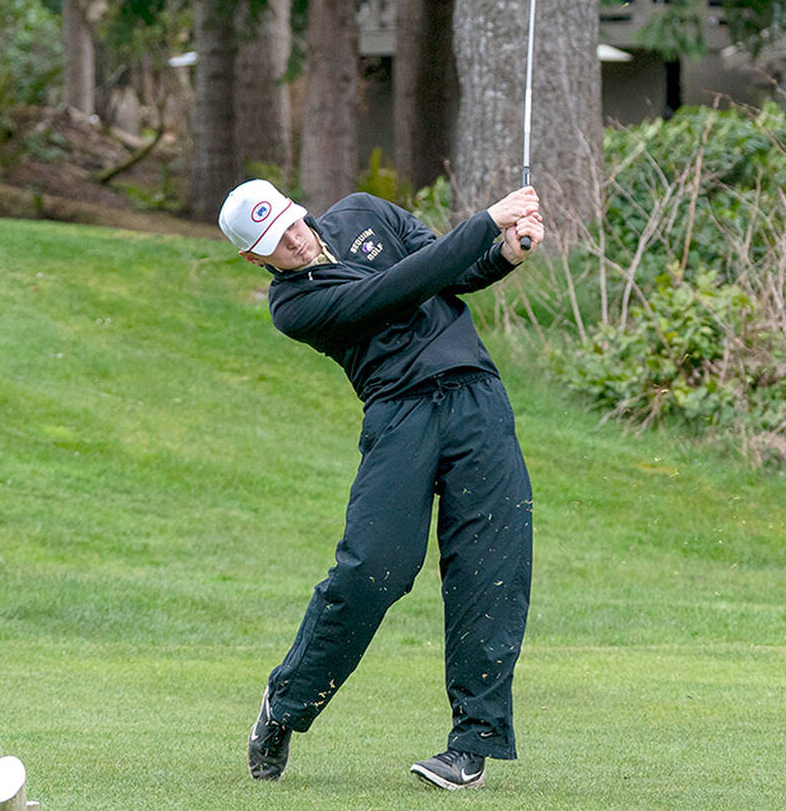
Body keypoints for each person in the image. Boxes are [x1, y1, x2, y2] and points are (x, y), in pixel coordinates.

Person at [217, 178, 545, 790]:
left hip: (476, 395)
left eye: (288, 221)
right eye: (273, 241)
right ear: (253, 258)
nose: (292, 238)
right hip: (401, 413)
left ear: (294, 205)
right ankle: (285, 706)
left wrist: (504, 252)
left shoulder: (364, 212)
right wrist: (485, 220)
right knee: (374, 569)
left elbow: (448, 270)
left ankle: (472, 744)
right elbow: (398, 287)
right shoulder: (293, 307)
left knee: (491, 565)